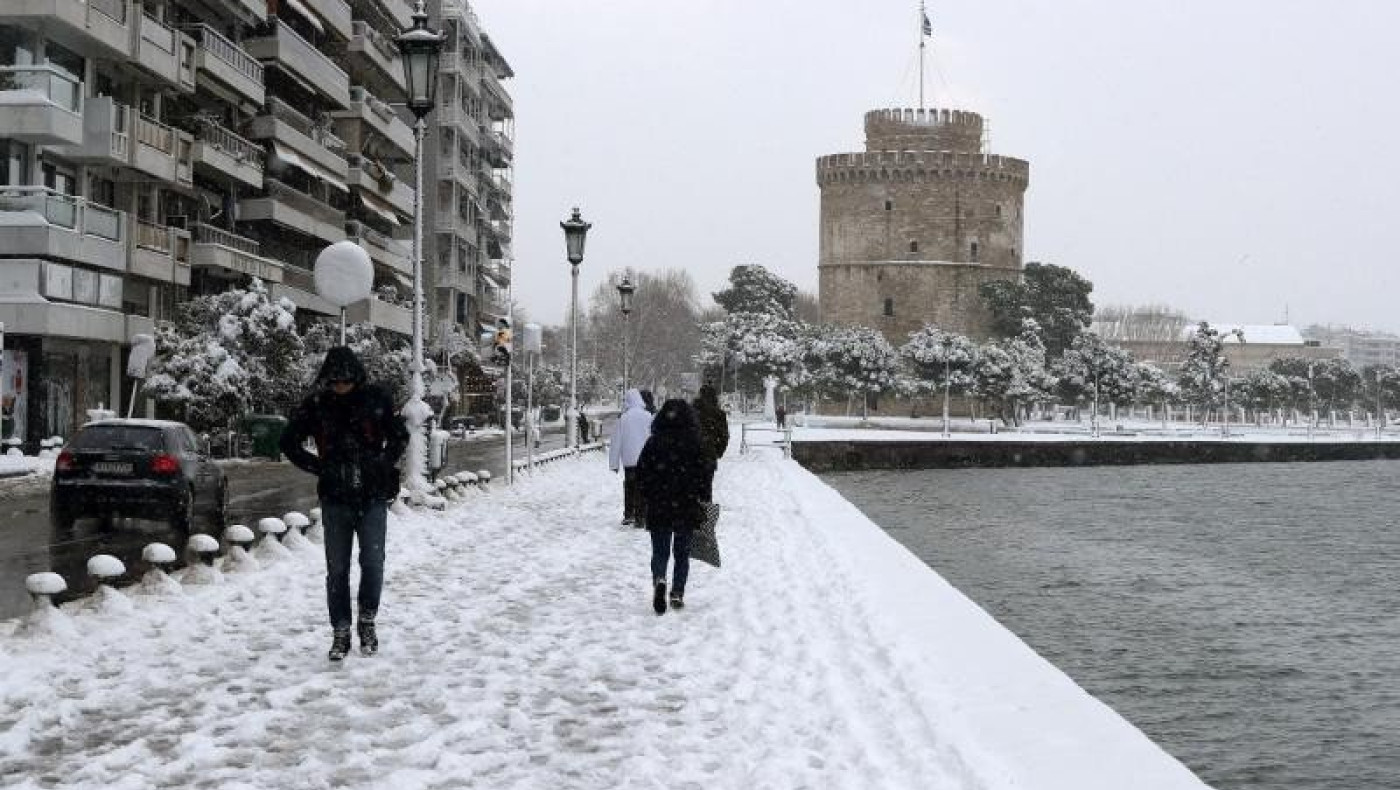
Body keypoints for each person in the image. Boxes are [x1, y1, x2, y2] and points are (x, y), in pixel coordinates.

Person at [281, 346, 409, 662]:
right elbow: (288, 442)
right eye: (335, 382)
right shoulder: (317, 404)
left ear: (356, 378)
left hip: (372, 495)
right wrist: (320, 466)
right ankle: (340, 629)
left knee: (373, 562)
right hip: (335, 496)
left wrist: (381, 462)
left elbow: (399, 437)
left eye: (346, 381)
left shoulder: (376, 398)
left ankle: (367, 620)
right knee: (336, 568)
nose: (340, 387)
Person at [636, 399, 708, 614]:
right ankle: (677, 591)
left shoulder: (654, 442)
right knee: (682, 553)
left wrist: (649, 494)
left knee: (660, 551)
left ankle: (659, 578)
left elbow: (641, 473)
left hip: (660, 503)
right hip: (686, 503)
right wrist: (701, 498)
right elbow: (704, 474)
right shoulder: (695, 442)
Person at [608, 389, 654, 527]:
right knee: (643, 487)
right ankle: (641, 516)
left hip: (629, 460)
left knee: (629, 486)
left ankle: (629, 514)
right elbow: (654, 437)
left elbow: (616, 442)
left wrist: (614, 464)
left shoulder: (624, 418)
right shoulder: (648, 416)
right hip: (646, 459)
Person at [692, 384, 729, 502]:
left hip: (691, 453)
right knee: (706, 487)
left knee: (690, 486)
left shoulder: (691, 411)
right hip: (709, 455)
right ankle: (706, 514)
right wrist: (718, 452)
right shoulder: (719, 414)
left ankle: (690, 513)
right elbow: (724, 436)